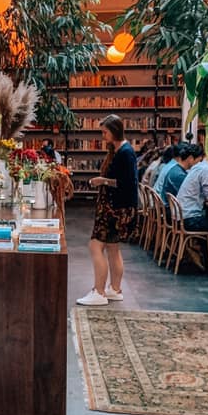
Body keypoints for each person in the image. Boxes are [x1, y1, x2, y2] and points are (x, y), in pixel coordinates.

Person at [77, 114, 139, 306]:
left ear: (114, 131)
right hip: (116, 207)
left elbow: (126, 183)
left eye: (105, 132)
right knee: (112, 248)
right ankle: (115, 289)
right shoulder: (121, 151)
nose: (103, 136)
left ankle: (99, 291)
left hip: (115, 209)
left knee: (95, 246)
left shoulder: (125, 153)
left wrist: (102, 180)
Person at [176, 154, 208, 232]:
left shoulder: (200, 166)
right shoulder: (207, 170)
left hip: (181, 215)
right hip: (190, 218)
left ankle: (202, 244)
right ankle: (207, 244)